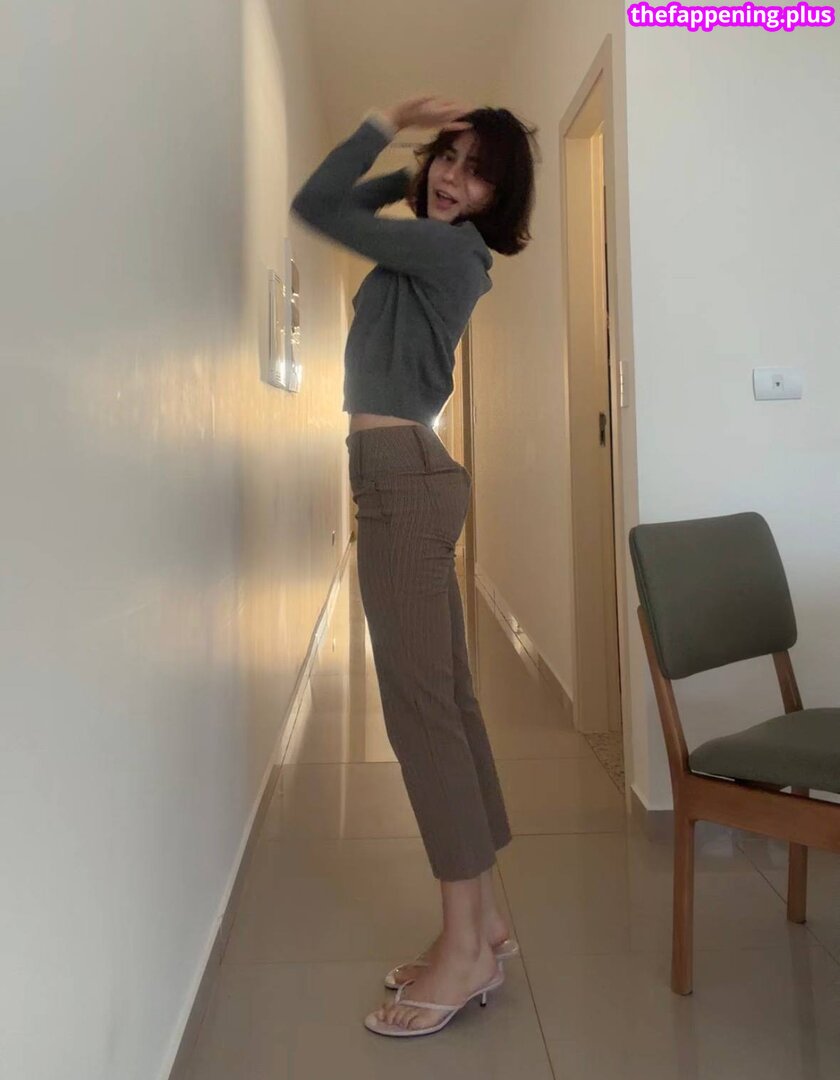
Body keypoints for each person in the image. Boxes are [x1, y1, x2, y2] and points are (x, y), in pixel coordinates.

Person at [290, 94, 538, 1038]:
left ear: (497, 200)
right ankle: (483, 925)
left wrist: (387, 120)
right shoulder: (441, 248)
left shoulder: (445, 251)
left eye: (477, 175)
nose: (452, 180)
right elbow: (358, 207)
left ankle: (465, 950)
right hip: (406, 474)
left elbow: (319, 204)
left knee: (422, 716)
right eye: (449, 159)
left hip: (401, 480)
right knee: (450, 706)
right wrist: (419, 170)